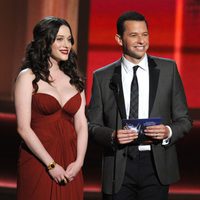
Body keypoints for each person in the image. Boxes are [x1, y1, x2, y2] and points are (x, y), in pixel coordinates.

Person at [87, 11, 192, 200]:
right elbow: (91, 126)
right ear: (119, 39)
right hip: (119, 165)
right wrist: (112, 136)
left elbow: (184, 120)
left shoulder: (168, 70)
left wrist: (168, 131)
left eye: (145, 34)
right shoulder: (102, 77)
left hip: (156, 164)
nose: (141, 40)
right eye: (134, 35)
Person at [14, 16, 88, 200]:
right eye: (59, 39)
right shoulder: (28, 77)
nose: (67, 44)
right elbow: (23, 128)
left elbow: (82, 124)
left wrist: (79, 162)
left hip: (71, 162)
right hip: (39, 160)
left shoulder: (75, 79)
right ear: (45, 41)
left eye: (69, 39)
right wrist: (51, 165)